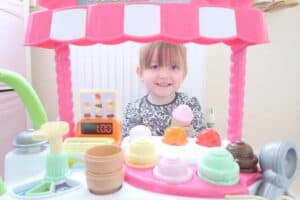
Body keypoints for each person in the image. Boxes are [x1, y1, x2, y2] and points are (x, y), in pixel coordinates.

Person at [123, 41, 207, 137]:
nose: (164, 75)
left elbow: (205, 142)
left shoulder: (190, 105)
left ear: (184, 74)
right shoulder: (134, 110)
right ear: (140, 73)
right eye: (154, 66)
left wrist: (192, 136)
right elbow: (126, 145)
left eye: (174, 67)